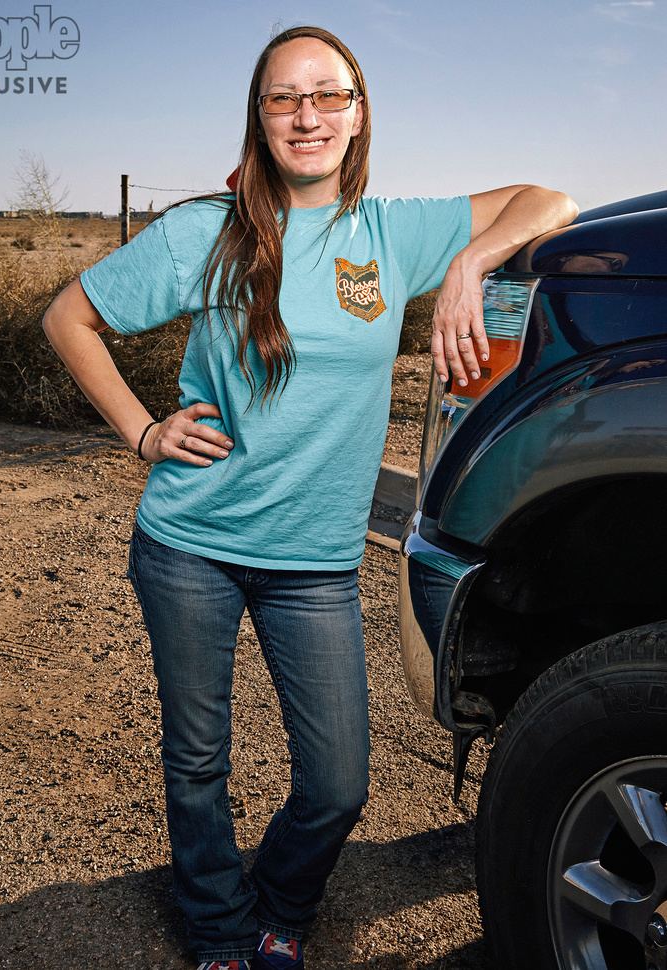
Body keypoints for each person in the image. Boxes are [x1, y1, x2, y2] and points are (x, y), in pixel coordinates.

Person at [42, 25, 578, 970]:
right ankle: (217, 929)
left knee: (337, 783)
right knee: (198, 762)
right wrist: (142, 431)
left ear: (358, 111)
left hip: (316, 567)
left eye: (328, 95)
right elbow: (68, 317)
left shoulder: (391, 234)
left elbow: (550, 198)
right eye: (285, 97)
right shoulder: (205, 231)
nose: (308, 115)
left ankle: (281, 904)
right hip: (189, 545)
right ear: (259, 116)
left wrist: (468, 262)